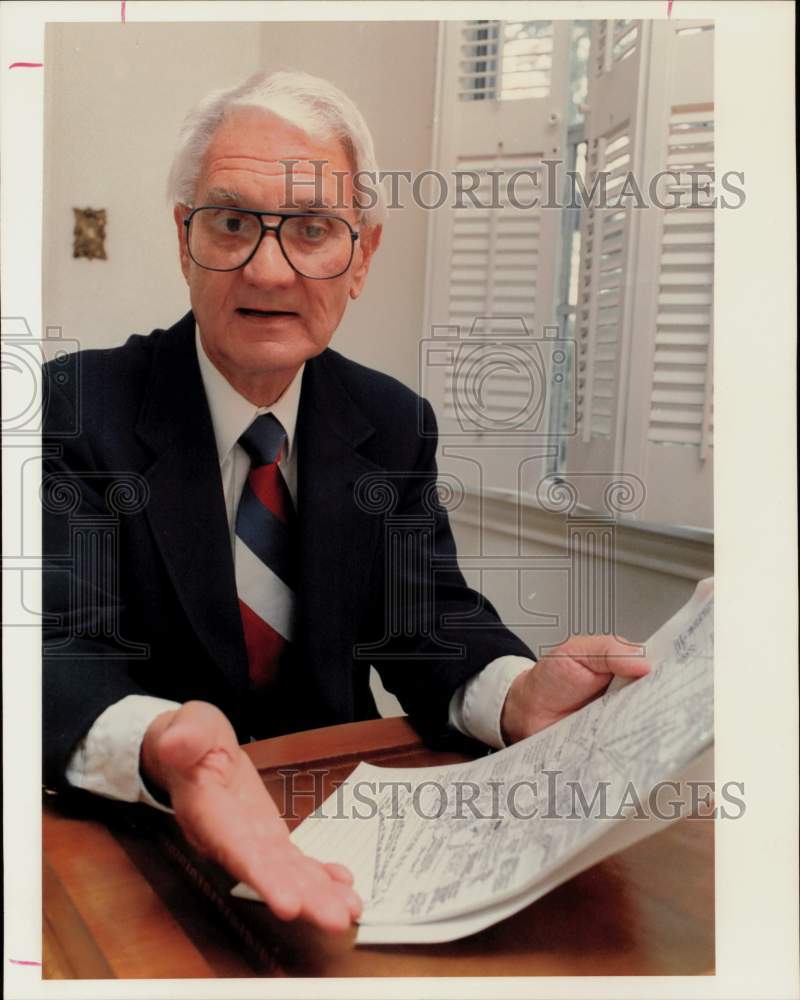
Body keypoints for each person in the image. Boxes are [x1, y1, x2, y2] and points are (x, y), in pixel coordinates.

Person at [42, 71, 649, 934]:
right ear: (184, 240)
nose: (267, 267)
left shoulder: (391, 421)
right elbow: (50, 648)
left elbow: (423, 618)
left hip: (346, 824)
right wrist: (170, 749)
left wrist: (519, 695)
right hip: (136, 838)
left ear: (361, 256)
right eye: (231, 222)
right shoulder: (74, 409)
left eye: (313, 230)